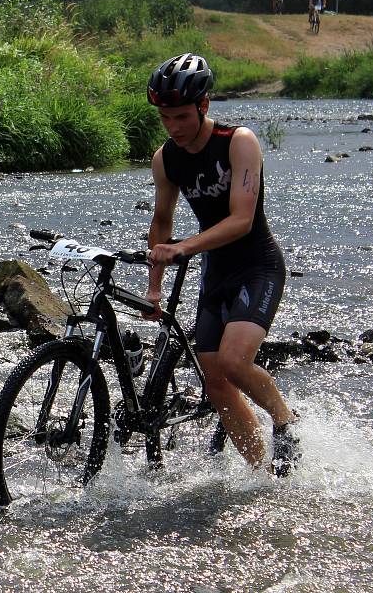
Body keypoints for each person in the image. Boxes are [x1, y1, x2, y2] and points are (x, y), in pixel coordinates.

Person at [143, 53, 300, 477]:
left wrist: (186, 248)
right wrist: (154, 289)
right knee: (215, 382)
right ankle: (262, 473)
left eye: (180, 117)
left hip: (258, 266)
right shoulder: (166, 159)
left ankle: (285, 423)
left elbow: (241, 219)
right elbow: (161, 222)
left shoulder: (239, 141)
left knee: (233, 361)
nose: (172, 127)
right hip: (217, 273)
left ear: (203, 106)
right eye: (164, 118)